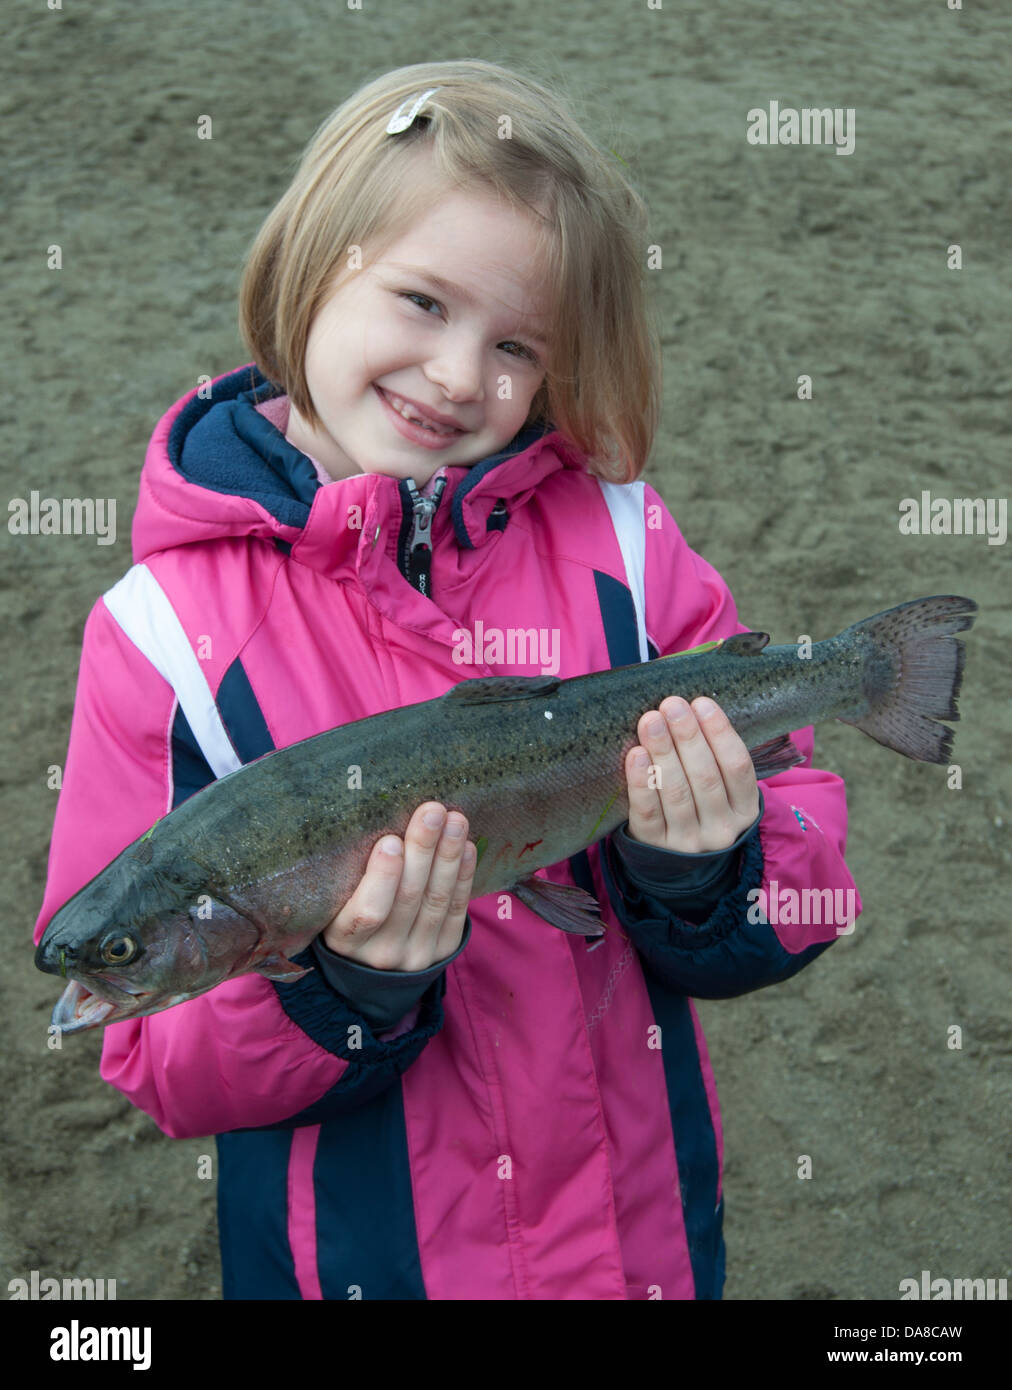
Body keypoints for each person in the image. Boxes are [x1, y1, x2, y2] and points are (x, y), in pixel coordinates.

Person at [33, 59, 859, 1300]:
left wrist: (703, 870)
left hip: (634, 1245)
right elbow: (161, 1065)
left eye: (517, 344)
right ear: (314, 267)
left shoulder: (628, 547)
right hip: (354, 1265)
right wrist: (341, 992)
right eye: (421, 302)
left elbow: (793, 893)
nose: (463, 376)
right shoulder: (159, 635)